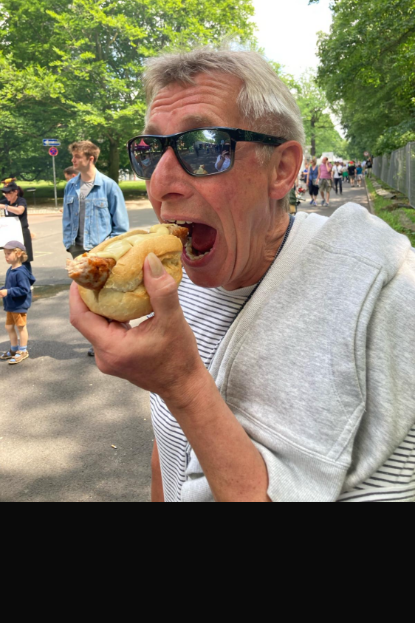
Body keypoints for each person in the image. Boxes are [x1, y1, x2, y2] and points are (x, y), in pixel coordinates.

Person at [69, 48, 415, 502]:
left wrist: (182, 383)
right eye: (150, 152)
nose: (160, 183)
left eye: (203, 147)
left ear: (282, 169)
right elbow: (169, 451)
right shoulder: (174, 285)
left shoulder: (387, 304)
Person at [63, 140, 129, 356]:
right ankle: (98, 339)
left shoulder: (109, 186)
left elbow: (121, 225)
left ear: (90, 159)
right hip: (78, 249)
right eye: (73, 156)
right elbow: (67, 217)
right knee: (85, 298)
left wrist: (108, 251)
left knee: (104, 296)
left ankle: (112, 339)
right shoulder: (71, 186)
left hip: (100, 251)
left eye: (77, 157)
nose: (73, 160)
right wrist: (68, 243)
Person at [0, 240, 35, 364]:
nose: (6, 256)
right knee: (9, 327)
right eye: (5, 253)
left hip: (19, 305)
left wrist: (8, 292)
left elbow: (24, 289)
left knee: (21, 327)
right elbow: (9, 286)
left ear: (19, 254)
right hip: (11, 304)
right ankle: (14, 349)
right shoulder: (10, 270)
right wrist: (3, 290)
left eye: (9, 253)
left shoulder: (21, 272)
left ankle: (23, 350)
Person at [0, 183, 34, 274]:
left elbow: (20, 211)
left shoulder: (21, 201)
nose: (7, 195)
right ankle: (17, 278)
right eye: (5, 193)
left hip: (22, 233)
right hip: (11, 233)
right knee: (13, 258)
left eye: (9, 193)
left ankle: (27, 279)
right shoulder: (5, 201)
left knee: (24, 259)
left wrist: (5, 207)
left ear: (15, 192)